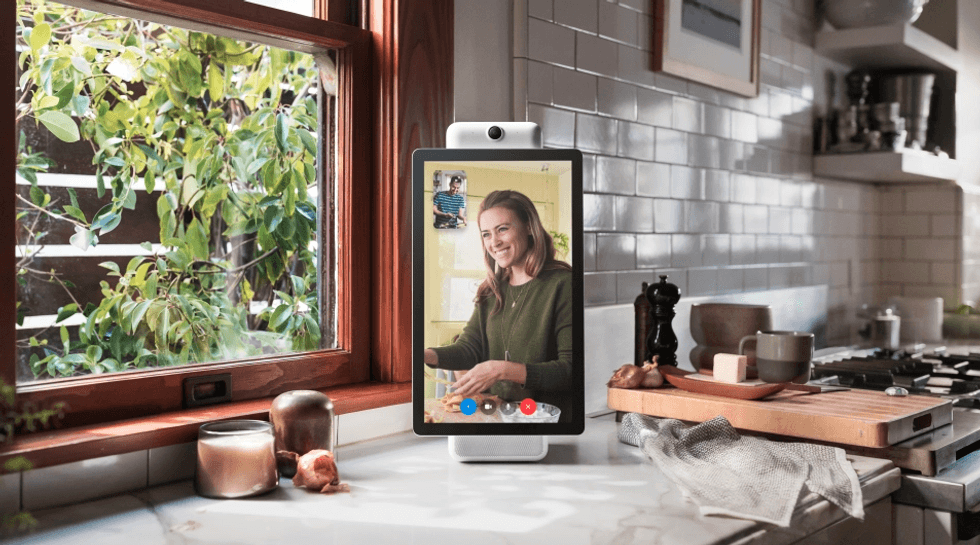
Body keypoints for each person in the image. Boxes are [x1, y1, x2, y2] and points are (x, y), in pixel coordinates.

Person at [424, 190, 573, 422]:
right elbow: (468, 350)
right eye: (486, 234)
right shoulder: (490, 291)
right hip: (501, 419)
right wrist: (424, 355)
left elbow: (569, 371)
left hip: (549, 424)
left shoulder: (563, 284)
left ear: (528, 227)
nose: (494, 242)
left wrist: (501, 370)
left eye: (503, 229)